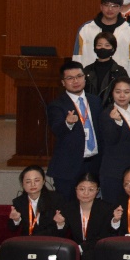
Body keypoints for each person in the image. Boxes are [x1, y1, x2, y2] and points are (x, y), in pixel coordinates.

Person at [47, 60, 103, 200]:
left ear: (85, 78)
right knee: (67, 206)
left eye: (79, 76)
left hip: (94, 163)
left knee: (93, 205)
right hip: (69, 166)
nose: (75, 81)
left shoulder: (95, 101)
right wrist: (68, 123)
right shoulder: (57, 105)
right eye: (70, 78)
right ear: (63, 82)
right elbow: (56, 129)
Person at [56, 172, 111, 260]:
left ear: (97, 191)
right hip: (74, 253)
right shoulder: (68, 208)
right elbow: (62, 236)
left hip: (97, 252)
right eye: (82, 189)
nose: (86, 193)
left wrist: (81, 248)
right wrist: (60, 224)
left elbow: (105, 236)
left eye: (91, 189)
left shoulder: (106, 209)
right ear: (76, 189)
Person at [99, 78, 130, 207]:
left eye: (126, 92)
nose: (122, 95)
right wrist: (117, 123)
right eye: (118, 92)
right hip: (113, 171)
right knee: (113, 208)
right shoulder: (107, 114)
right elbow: (110, 140)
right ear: (112, 93)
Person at [74, 0, 130, 75]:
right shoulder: (85, 29)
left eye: (114, 6)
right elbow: (77, 57)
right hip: (89, 77)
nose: (110, 9)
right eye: (106, 5)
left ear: (121, 8)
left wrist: (128, 81)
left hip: (120, 78)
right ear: (101, 6)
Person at [7, 165, 62, 237]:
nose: (33, 184)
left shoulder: (56, 199)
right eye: (28, 182)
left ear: (43, 181)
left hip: (50, 240)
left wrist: (60, 223)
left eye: (37, 180)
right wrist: (16, 220)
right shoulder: (18, 202)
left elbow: (63, 231)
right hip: (28, 241)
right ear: (23, 184)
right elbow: (12, 228)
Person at [84, 32, 130, 105]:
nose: (103, 48)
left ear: (113, 49)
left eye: (107, 45)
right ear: (95, 48)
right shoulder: (87, 70)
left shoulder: (120, 72)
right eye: (99, 45)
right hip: (90, 108)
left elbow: (126, 93)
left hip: (113, 109)